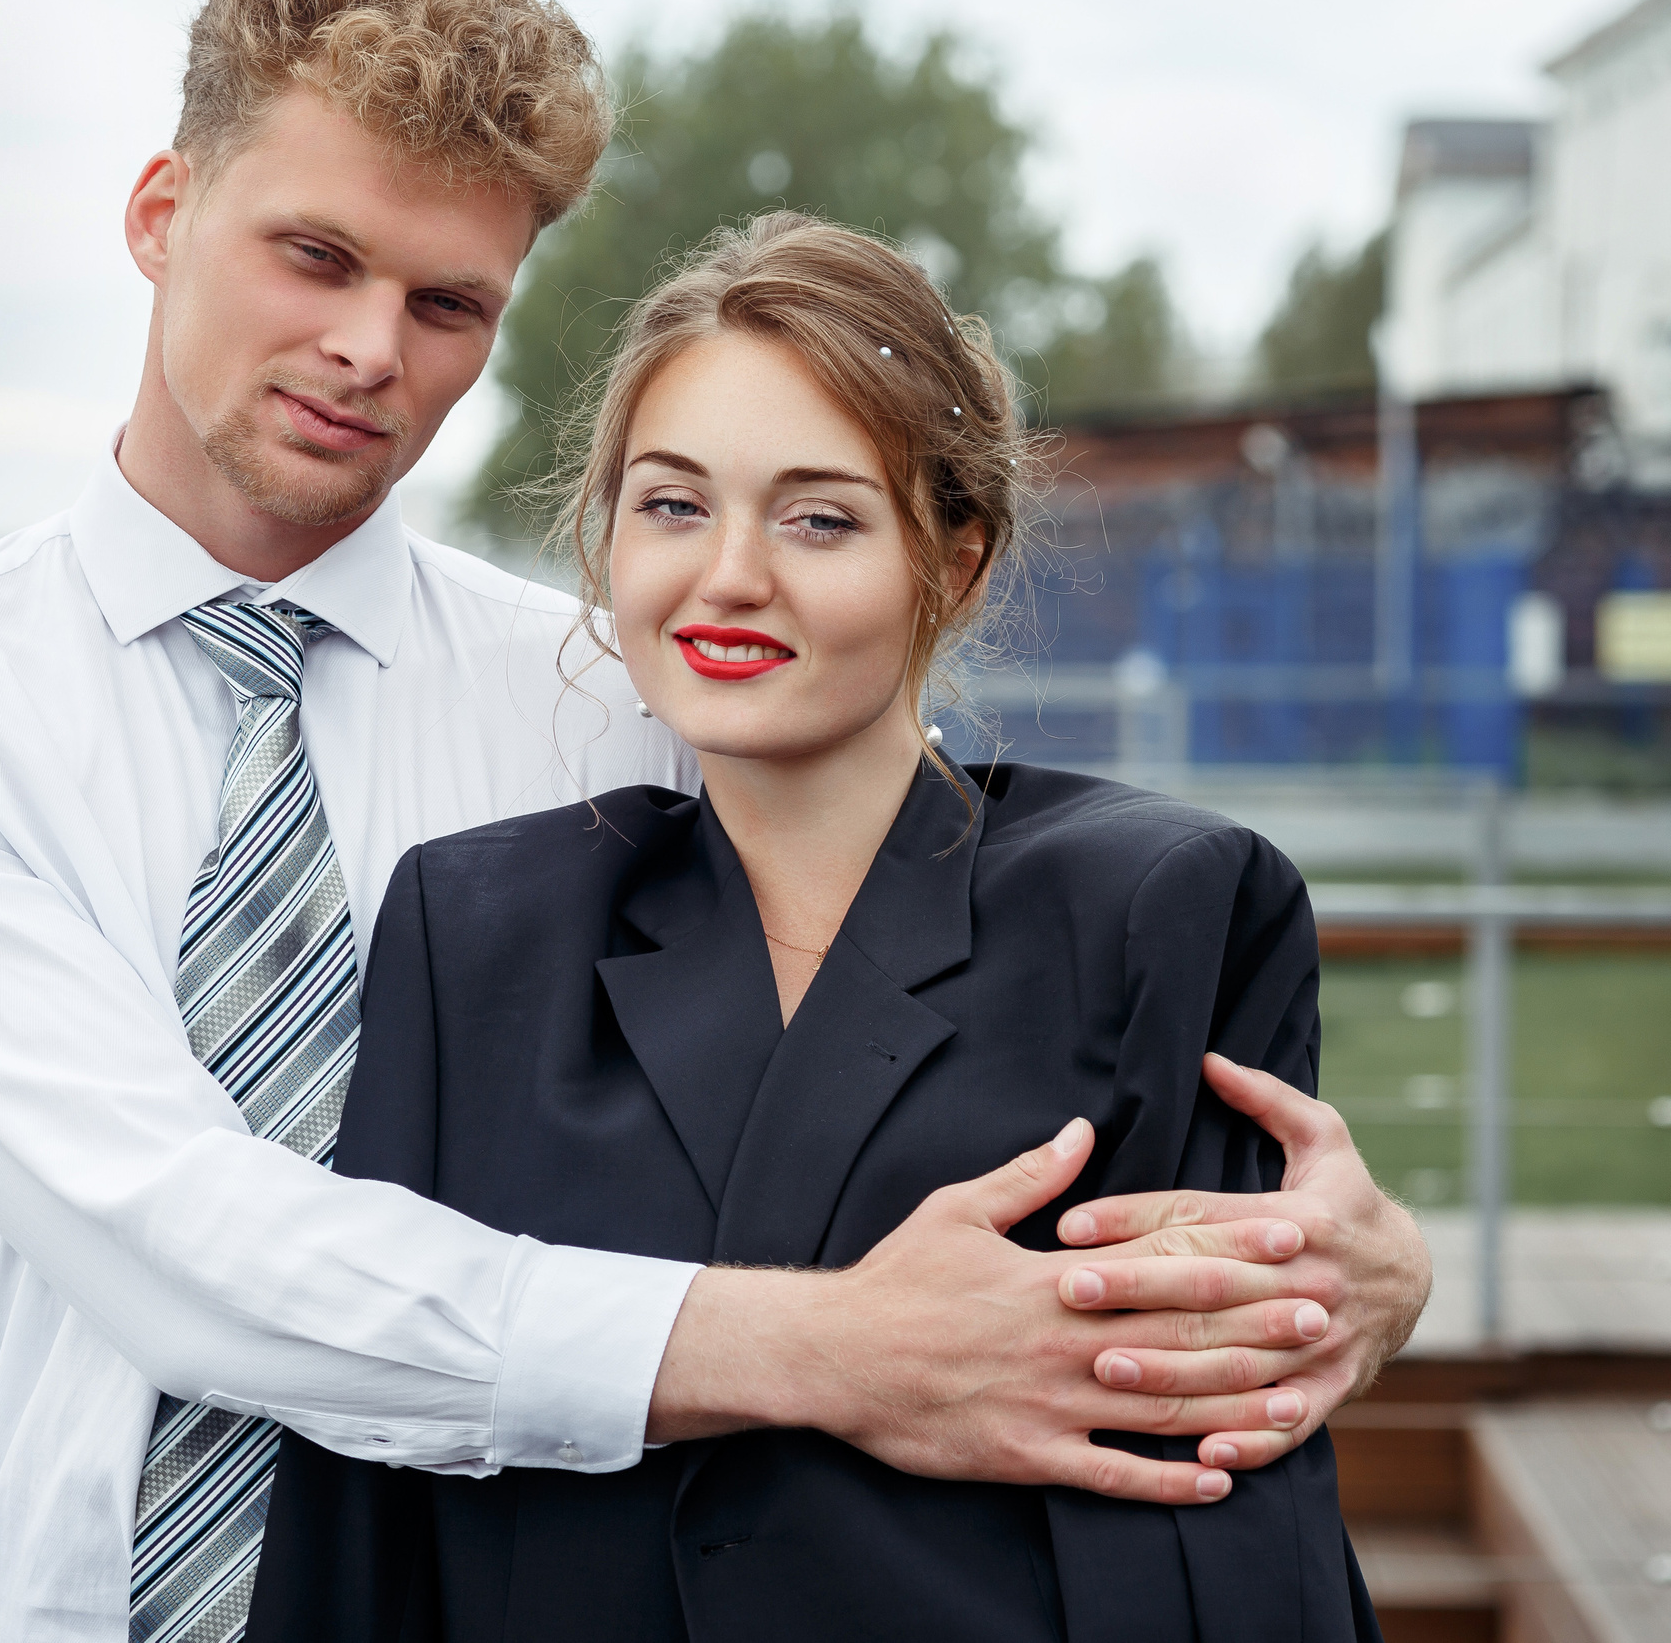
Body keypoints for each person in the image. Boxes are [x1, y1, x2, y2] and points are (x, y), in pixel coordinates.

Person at [0, 0, 1429, 1643]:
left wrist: (1348, 1271)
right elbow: (188, 1253)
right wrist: (844, 1349)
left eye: (448, 300)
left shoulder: (614, 691)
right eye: (314, 256)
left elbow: (887, 1008)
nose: (372, 350)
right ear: (163, 217)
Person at [251, 212, 1384, 1641]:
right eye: (673, 505)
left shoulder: (1162, 905)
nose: (731, 574)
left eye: (818, 517)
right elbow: (370, 1469)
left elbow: (1217, 1460)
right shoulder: (472, 925)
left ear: (953, 562)